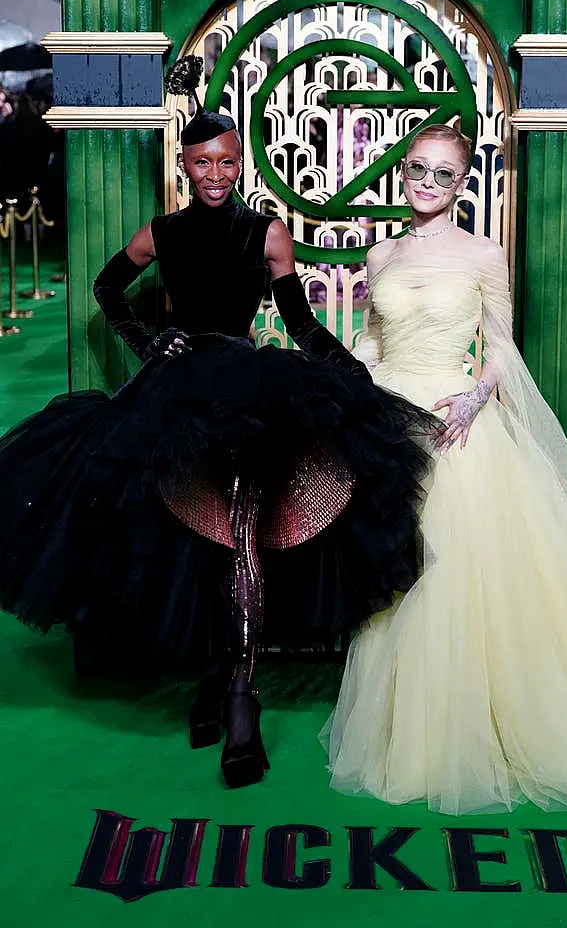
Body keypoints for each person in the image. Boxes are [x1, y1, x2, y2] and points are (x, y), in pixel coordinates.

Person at [0, 57, 441, 789]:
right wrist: (148, 342)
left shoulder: (266, 233)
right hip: (175, 388)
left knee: (241, 523)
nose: (215, 173)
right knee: (186, 534)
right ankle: (216, 680)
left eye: (227, 161)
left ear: (240, 164)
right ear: (185, 164)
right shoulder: (161, 233)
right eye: (203, 161)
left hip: (247, 383)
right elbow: (108, 288)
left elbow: (297, 320)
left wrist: (345, 369)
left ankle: (238, 692)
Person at [324, 121, 567, 814]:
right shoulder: (380, 256)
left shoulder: (483, 255)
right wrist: (362, 373)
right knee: (395, 579)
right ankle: (407, 719)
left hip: (456, 427)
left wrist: (473, 398)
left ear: (462, 185)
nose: (427, 184)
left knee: (459, 578)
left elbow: (499, 344)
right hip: (388, 427)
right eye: (417, 170)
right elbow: (374, 337)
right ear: (401, 172)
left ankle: (472, 724)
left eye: (443, 174)